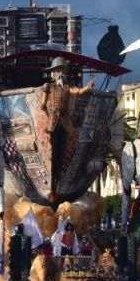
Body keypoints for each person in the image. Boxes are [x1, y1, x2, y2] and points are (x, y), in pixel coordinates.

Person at [41, 57, 95, 202]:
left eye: (63, 70)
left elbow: (77, 91)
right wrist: (48, 117)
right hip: (53, 121)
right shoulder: (49, 86)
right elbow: (42, 105)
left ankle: (57, 188)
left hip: (64, 121)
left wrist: (88, 87)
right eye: (58, 70)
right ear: (54, 73)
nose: (61, 72)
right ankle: (52, 188)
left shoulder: (67, 86)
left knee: (61, 154)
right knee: (54, 155)